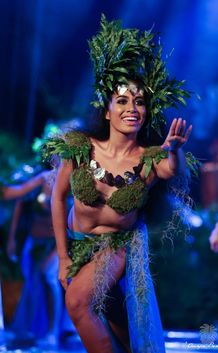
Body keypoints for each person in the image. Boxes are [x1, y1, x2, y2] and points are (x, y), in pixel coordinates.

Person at [43, 15, 197, 353]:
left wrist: (177, 149)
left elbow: (173, 171)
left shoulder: (151, 157)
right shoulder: (81, 149)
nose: (132, 108)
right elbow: (57, 199)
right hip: (78, 244)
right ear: (108, 110)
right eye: (123, 101)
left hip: (118, 247)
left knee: (78, 303)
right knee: (122, 329)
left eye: (139, 101)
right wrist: (63, 256)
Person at [1, 170, 63, 345]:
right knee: (32, 282)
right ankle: (31, 330)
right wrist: (12, 239)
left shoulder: (68, 180)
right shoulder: (39, 179)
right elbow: (19, 198)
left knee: (49, 277)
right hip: (35, 241)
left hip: (56, 242)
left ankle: (53, 331)